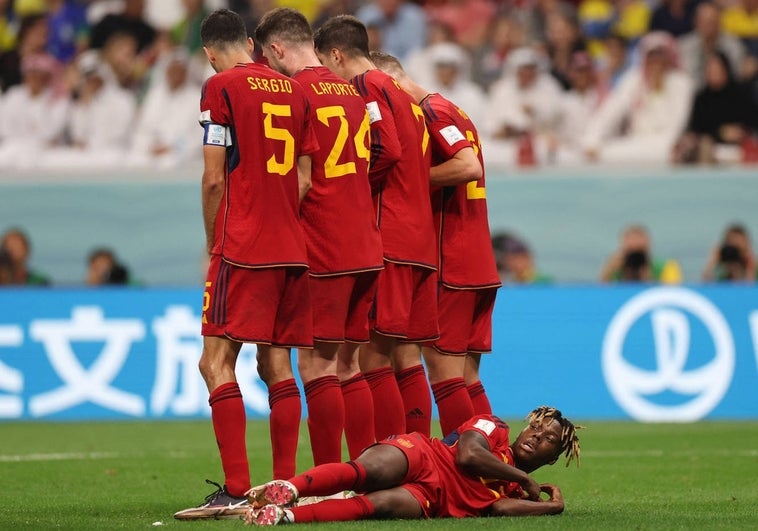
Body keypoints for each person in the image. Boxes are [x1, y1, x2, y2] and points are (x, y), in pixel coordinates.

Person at [173, 8, 319, 520]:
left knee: (214, 363)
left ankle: (236, 488)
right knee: (276, 365)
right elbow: (304, 179)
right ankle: (282, 484)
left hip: (244, 246)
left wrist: (216, 242)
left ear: (210, 52)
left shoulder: (222, 90)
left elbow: (215, 178)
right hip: (291, 248)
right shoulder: (295, 90)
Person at [253, 7, 384, 465]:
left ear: (275, 48)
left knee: (315, 366)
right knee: (349, 365)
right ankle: (369, 469)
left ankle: (328, 478)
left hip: (324, 245)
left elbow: (301, 179)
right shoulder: (350, 91)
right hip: (366, 245)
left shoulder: (294, 92)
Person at [314, 15, 439, 439]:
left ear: (335, 54)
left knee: (372, 359)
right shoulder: (402, 93)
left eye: (323, 62)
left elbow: (385, 146)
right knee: (405, 357)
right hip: (420, 239)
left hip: (392, 234)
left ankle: (386, 459)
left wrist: (353, 187)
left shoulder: (368, 85)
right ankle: (418, 452)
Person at [371, 51, 501, 437]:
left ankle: (456, 468)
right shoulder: (454, 111)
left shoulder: (432, 112)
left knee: (440, 369)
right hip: (476, 258)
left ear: (391, 81)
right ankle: (496, 463)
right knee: (465, 375)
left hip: (452, 258)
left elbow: (466, 166)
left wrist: (409, 178)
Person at [245, 406, 581, 525]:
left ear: (553, 458)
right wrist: (524, 478)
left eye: (548, 439)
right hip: (423, 455)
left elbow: (502, 511)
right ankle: (291, 487)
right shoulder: (495, 428)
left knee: (380, 505)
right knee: (370, 471)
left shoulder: (513, 491)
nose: (536, 437)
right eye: (535, 427)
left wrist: (553, 507)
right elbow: (468, 456)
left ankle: (285, 516)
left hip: (433, 497)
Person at [600, 224, 682, 283]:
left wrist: (648, 274)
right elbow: (601, 293)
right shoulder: (615, 269)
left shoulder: (666, 267)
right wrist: (609, 270)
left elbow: (671, 293)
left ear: (648, 244)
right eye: (631, 249)